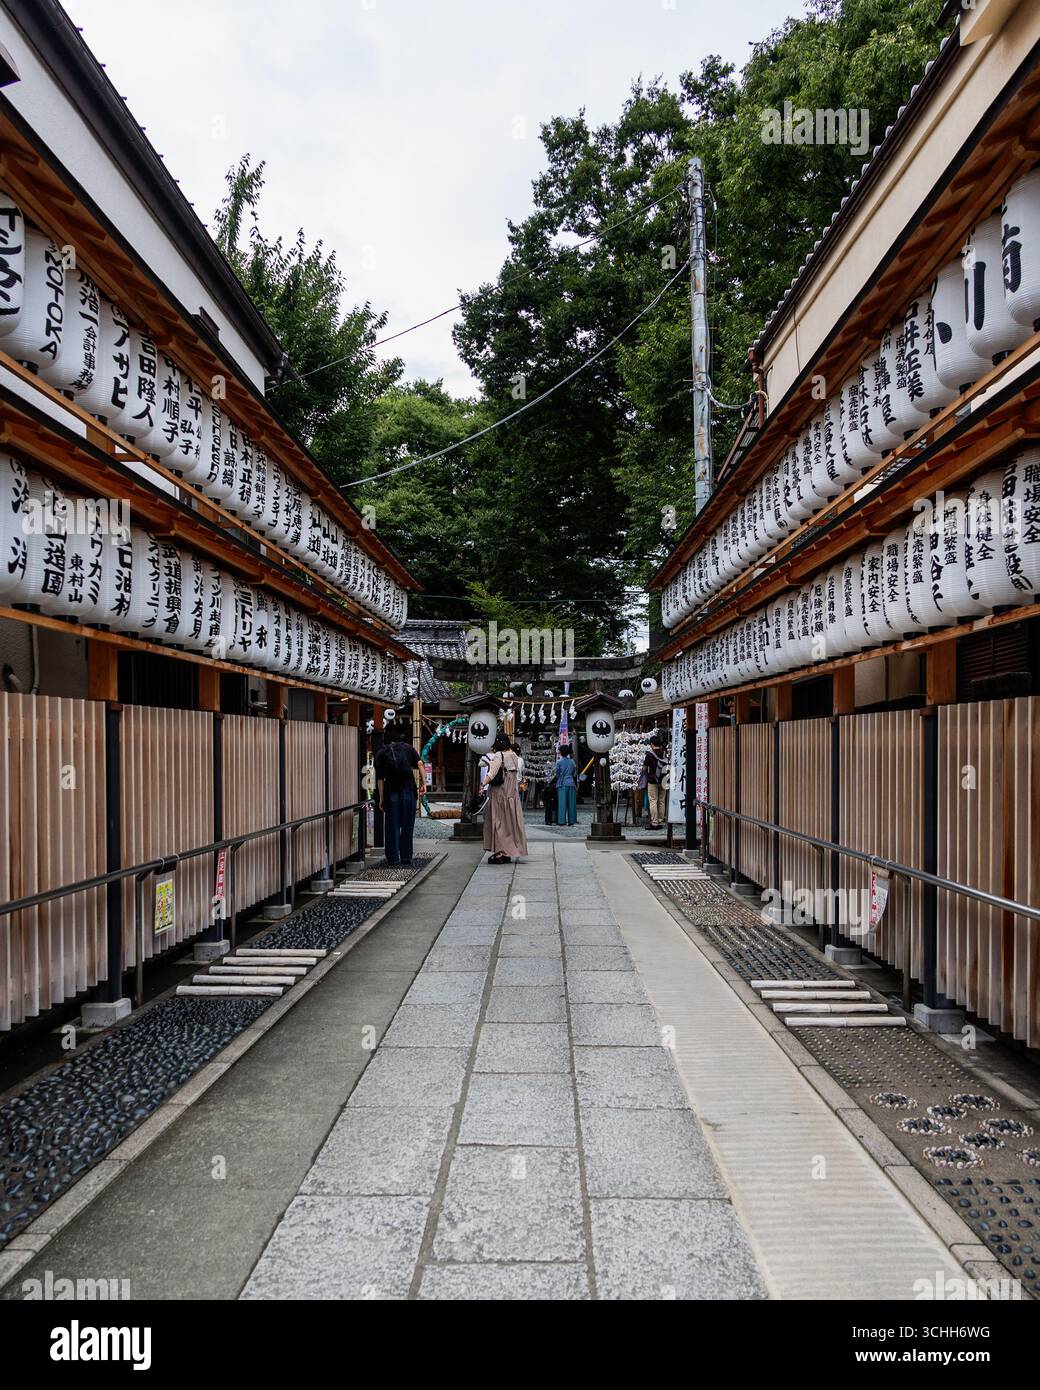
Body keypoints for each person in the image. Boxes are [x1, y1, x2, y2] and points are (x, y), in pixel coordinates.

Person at [374, 726, 423, 868]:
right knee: (408, 826)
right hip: (408, 790)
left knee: (392, 826)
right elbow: (420, 764)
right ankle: (406, 858)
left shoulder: (381, 752)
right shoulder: (408, 748)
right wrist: (424, 783)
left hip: (391, 791)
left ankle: (394, 859)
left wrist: (382, 798)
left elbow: (380, 778)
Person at [483, 732, 528, 864]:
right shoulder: (514, 755)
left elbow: (492, 773)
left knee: (498, 823)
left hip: (499, 794)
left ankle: (499, 854)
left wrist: (482, 785)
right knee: (510, 824)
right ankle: (508, 852)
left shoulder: (499, 755)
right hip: (512, 795)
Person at [642, 737, 667, 829]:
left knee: (653, 801)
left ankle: (654, 823)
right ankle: (660, 821)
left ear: (652, 744)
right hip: (664, 779)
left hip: (653, 780)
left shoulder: (649, 754)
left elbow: (644, 768)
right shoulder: (664, 753)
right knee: (661, 801)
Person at [554, 744, 578, 826]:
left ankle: (562, 821)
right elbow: (574, 773)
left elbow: (557, 774)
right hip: (571, 783)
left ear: (561, 752)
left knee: (562, 803)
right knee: (571, 803)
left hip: (562, 783)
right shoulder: (572, 762)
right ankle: (572, 820)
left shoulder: (559, 762)